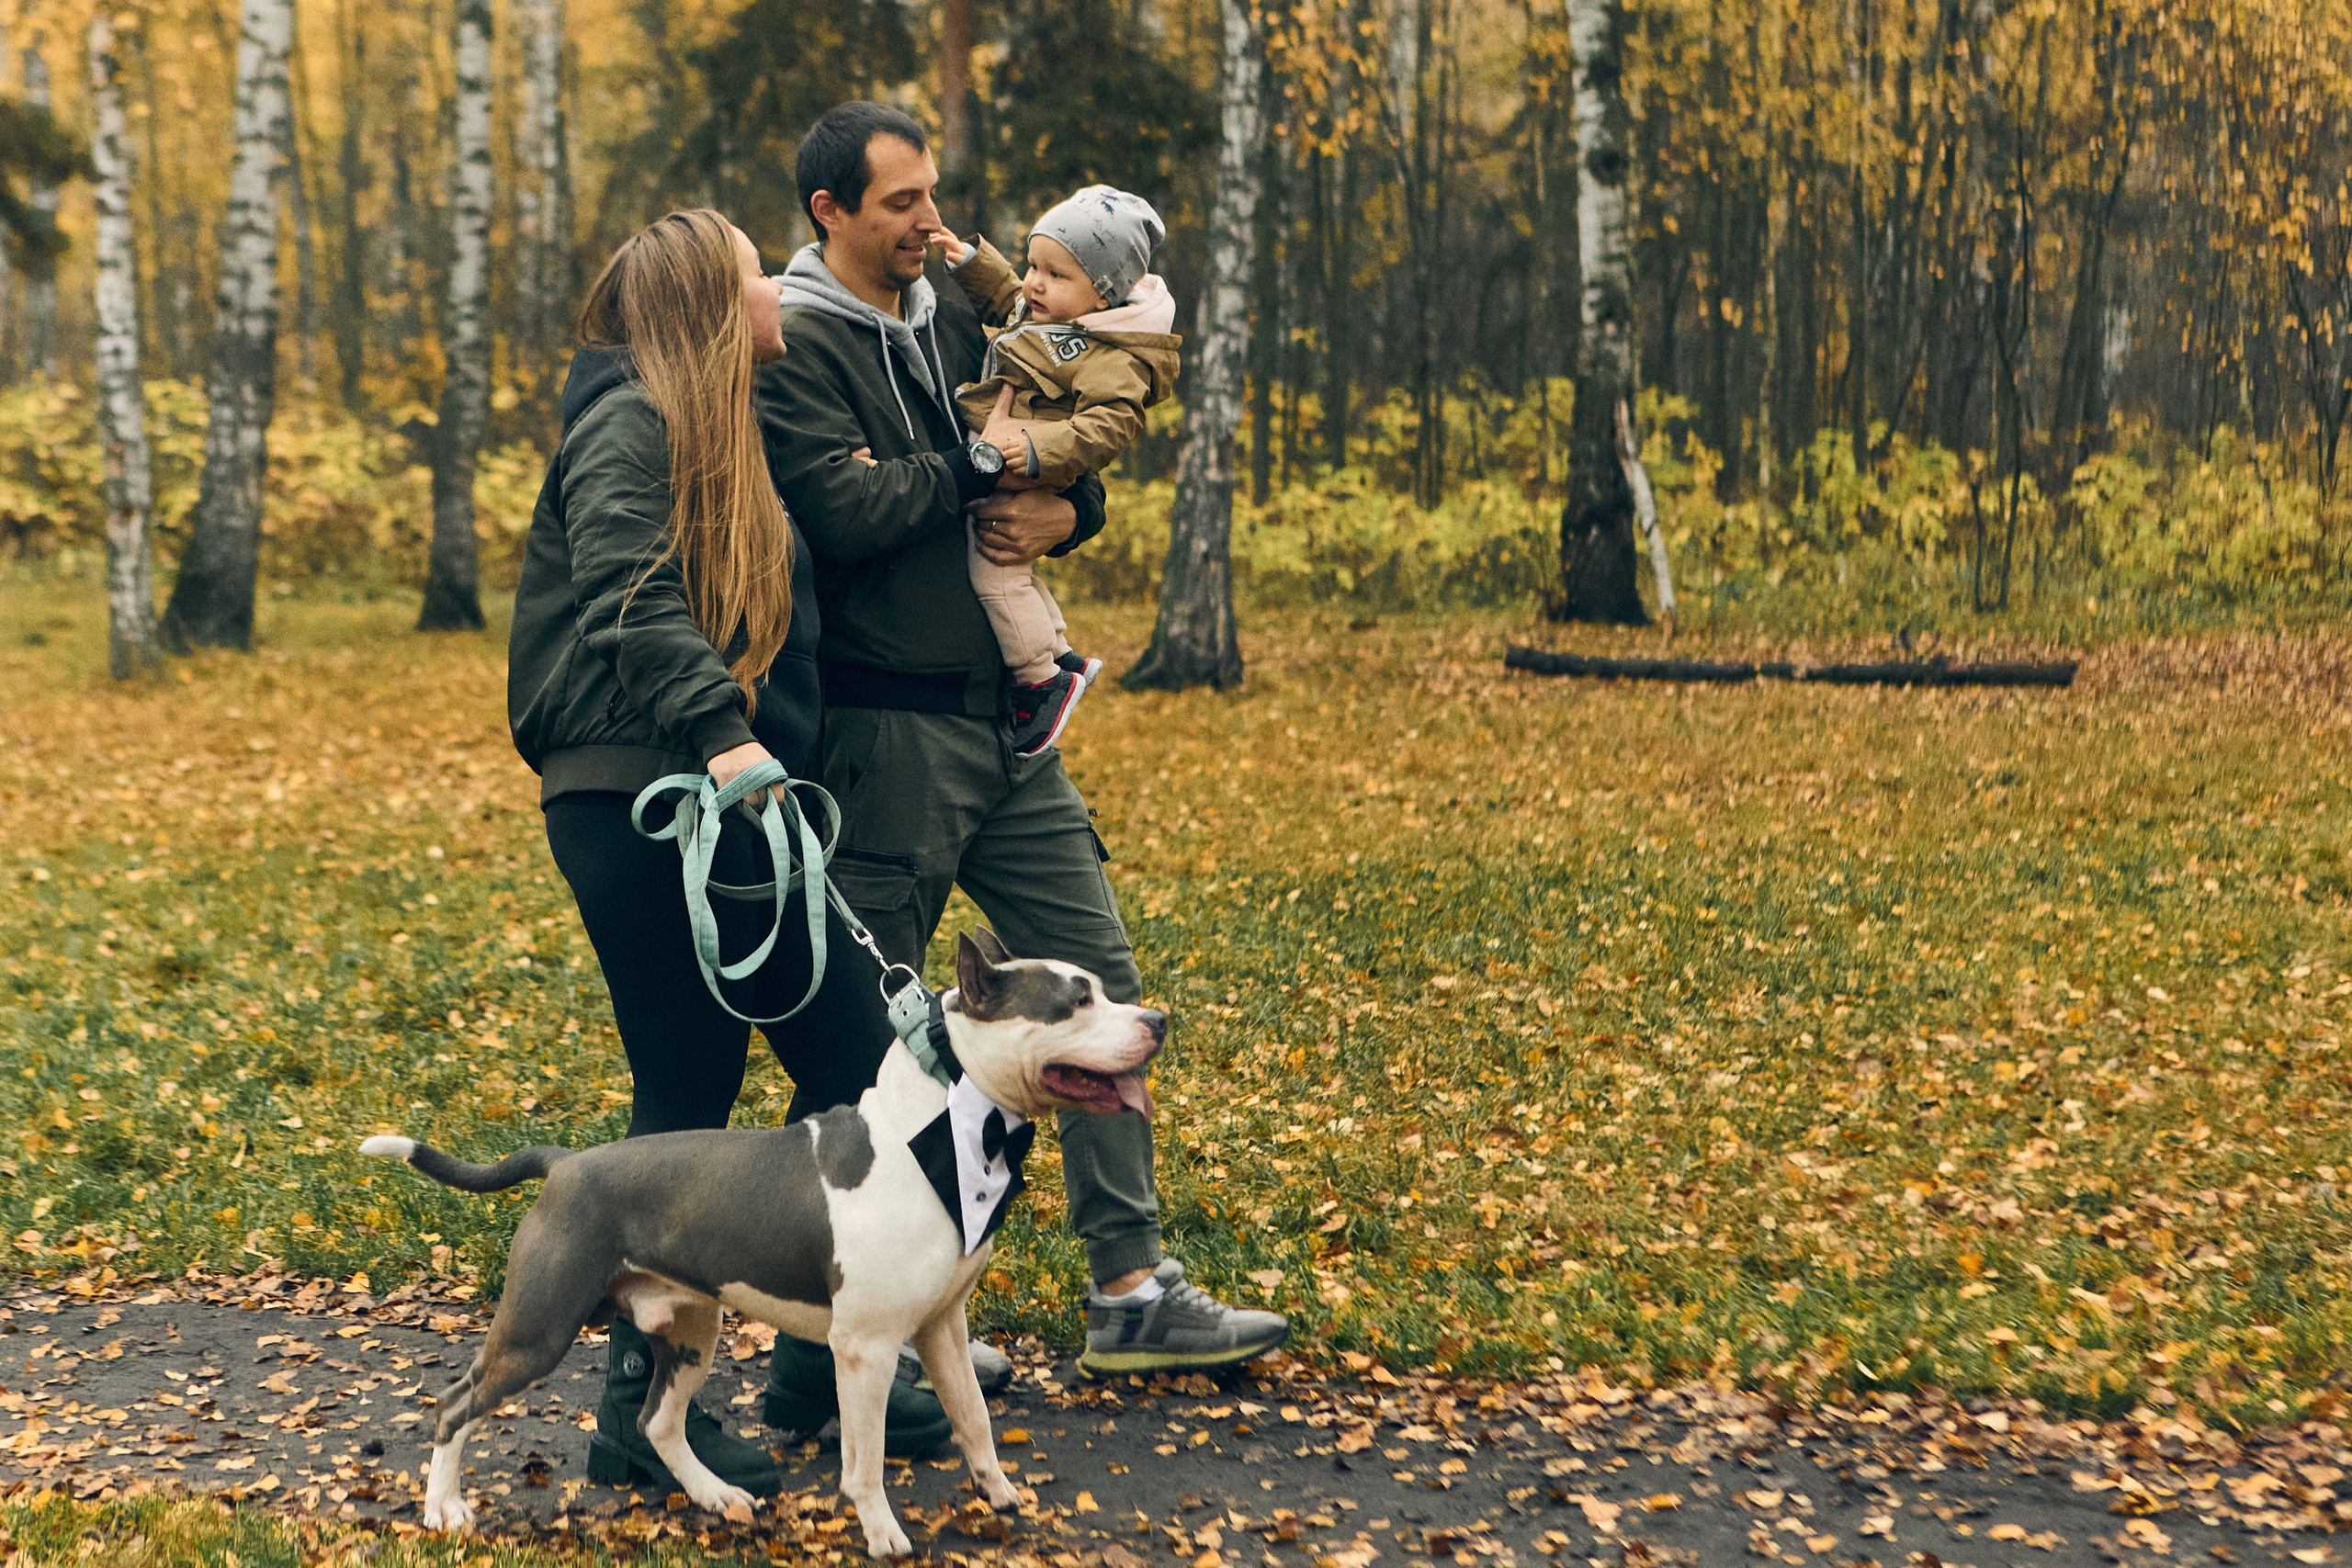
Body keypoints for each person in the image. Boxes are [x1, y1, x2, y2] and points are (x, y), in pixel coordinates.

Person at [756, 102, 1289, 1392]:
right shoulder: (793, 339)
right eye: (901, 204)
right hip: (886, 730)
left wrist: (1073, 505)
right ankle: (816, 1327)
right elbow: (843, 507)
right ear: (831, 212)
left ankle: (1133, 1287)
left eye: (932, 193)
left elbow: (1043, 437)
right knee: (864, 1040)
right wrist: (973, 459)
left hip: (1006, 722)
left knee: (1096, 984)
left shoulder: (948, 312)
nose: (931, 220)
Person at [506, 209, 953, 1494]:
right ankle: (640, 1417)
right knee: (699, 1087)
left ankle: (825, 1357)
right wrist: (721, 736)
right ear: (712, 305)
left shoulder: (710, 424)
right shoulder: (629, 422)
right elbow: (630, 592)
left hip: (713, 797)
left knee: (847, 1065)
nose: (782, 294)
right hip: (659, 802)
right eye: (762, 276)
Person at [933, 185, 1181, 755]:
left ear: (1102, 293)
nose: (1034, 283)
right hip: (1013, 448)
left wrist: (1040, 448)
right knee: (1016, 569)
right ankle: (1061, 653)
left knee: (995, 573)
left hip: (1029, 460)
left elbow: (1112, 425)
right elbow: (1008, 303)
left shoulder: (1112, 351)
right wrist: (973, 262)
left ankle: (1040, 681)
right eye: (1032, 265)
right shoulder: (1054, 316)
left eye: (1055, 274)